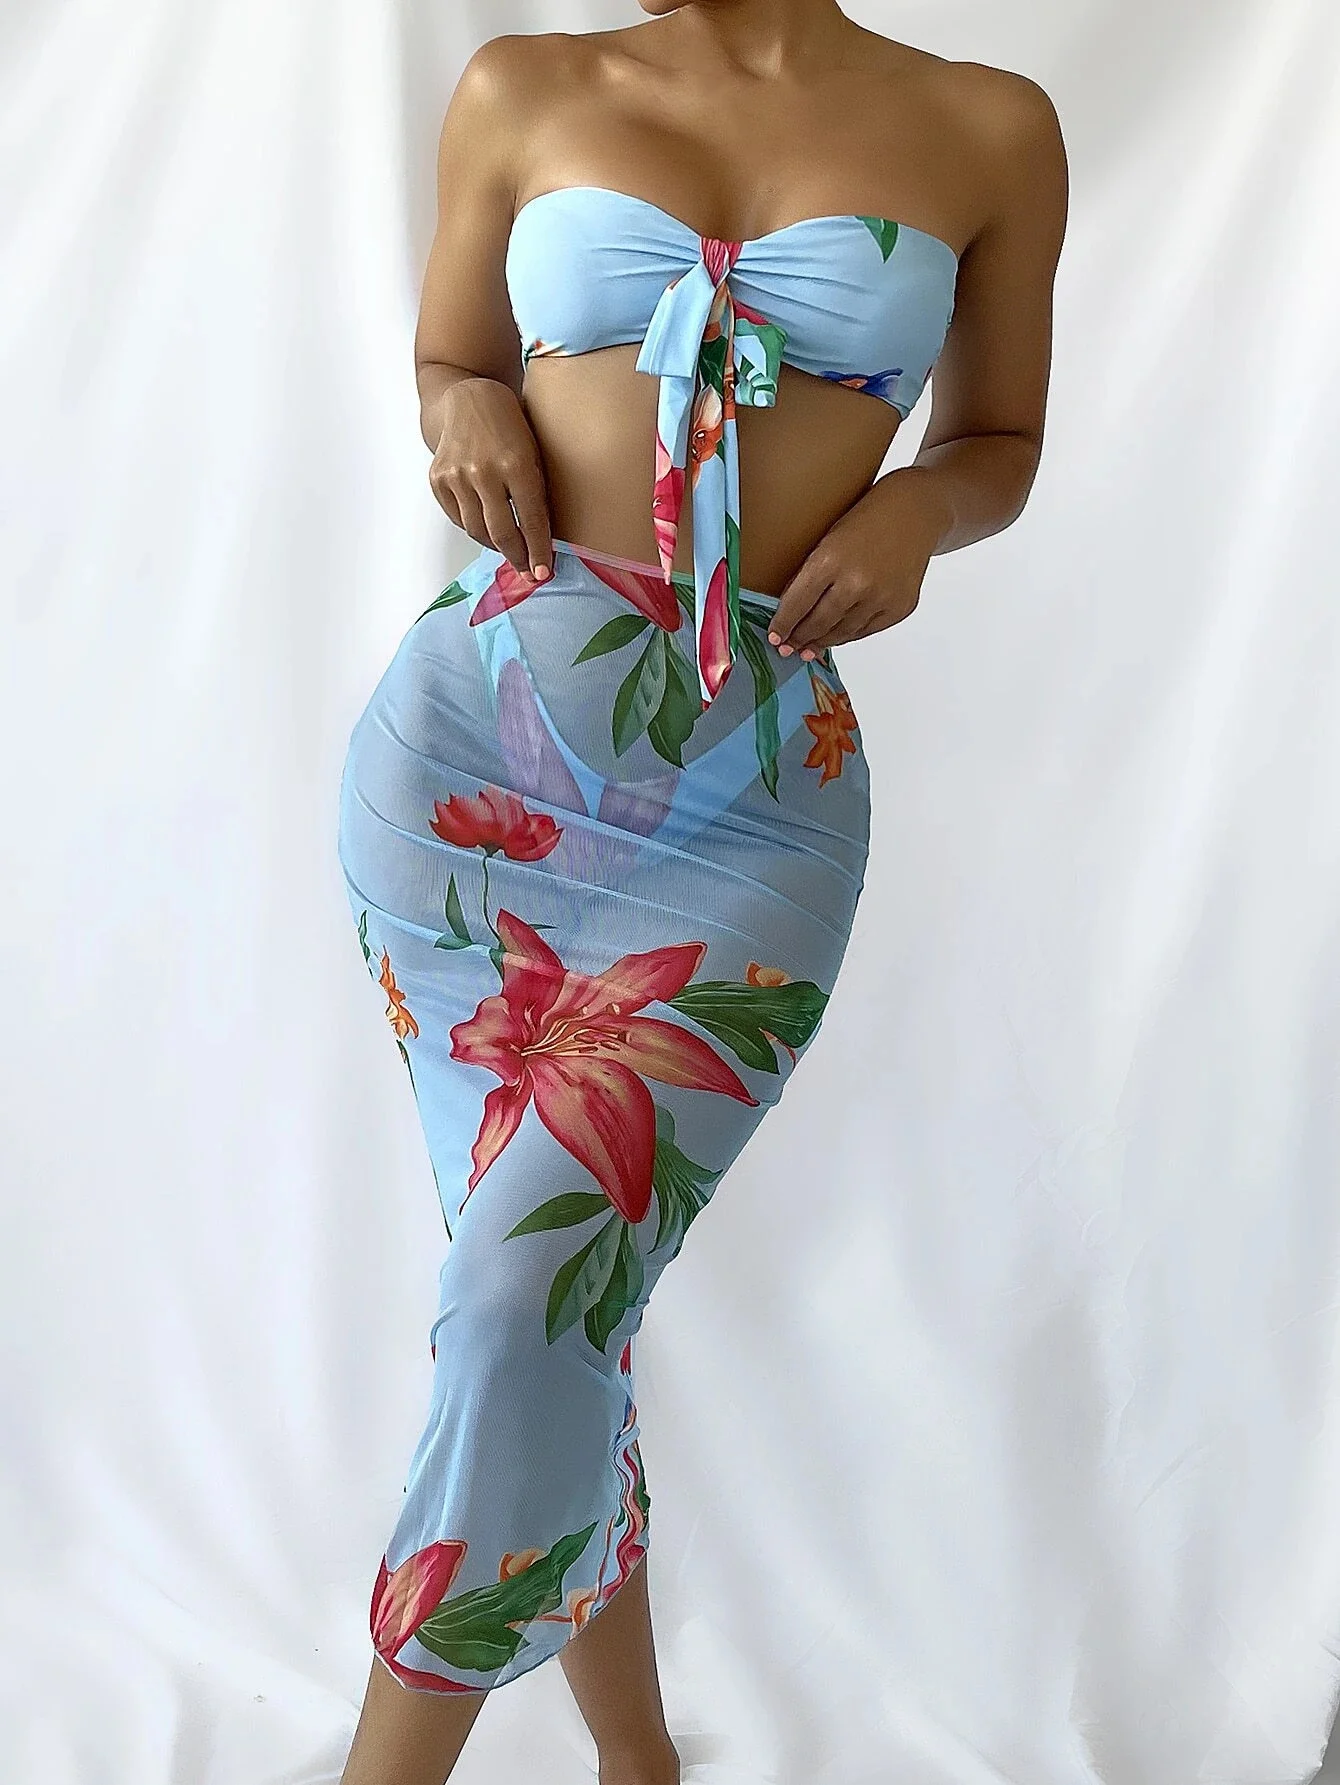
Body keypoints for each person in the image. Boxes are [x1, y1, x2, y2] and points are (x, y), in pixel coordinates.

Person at [335, 3, 1067, 1782]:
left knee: (527, 1301)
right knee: (544, 1309)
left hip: (752, 800)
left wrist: (917, 515)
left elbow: (999, 440)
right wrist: (463, 404)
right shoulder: (525, 85)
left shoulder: (988, 125)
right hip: (473, 763)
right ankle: (642, 1766)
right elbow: (447, 355)